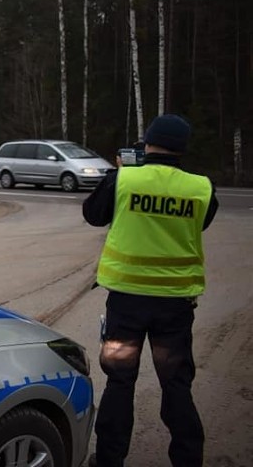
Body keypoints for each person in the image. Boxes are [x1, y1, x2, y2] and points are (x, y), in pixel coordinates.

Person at [83, 114, 219, 467]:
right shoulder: (201, 187)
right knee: (176, 385)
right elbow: (203, 221)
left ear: (147, 143)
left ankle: (110, 460)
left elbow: (93, 215)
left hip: (126, 302)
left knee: (119, 382)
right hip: (175, 307)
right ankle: (188, 459)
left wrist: (118, 173)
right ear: (182, 150)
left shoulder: (125, 179)